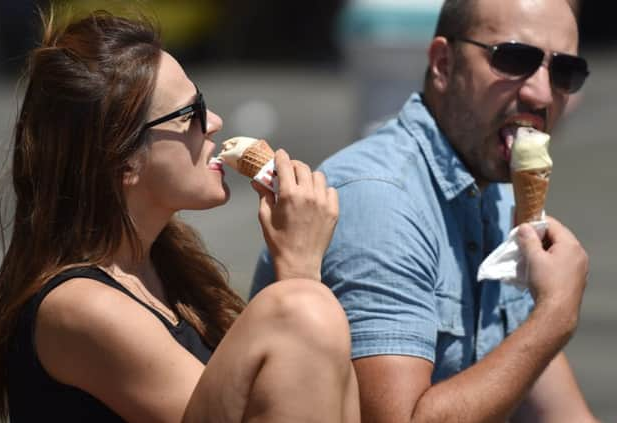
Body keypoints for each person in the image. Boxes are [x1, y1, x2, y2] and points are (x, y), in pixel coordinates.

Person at [0, 10, 360, 423]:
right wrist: (301, 272)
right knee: (299, 309)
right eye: (190, 113)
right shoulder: (78, 308)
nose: (214, 122)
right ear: (123, 159)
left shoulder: (168, 271)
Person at [251, 0, 598, 421]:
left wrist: (542, 320)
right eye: (513, 59)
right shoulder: (382, 202)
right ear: (443, 63)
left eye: (565, 72)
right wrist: (554, 316)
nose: (541, 94)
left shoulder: (497, 190)